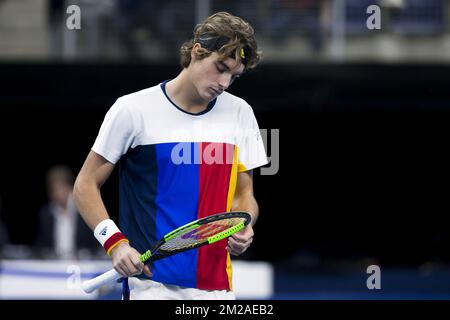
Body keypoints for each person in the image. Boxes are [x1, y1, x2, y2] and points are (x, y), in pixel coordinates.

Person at [73, 11, 268, 300]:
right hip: (150, 287)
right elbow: (84, 185)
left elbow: (245, 196)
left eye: (233, 76)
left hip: (217, 289)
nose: (224, 82)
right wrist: (115, 243)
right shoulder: (131, 109)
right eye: (220, 67)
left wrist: (244, 225)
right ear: (196, 52)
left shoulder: (241, 113)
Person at [36, 165, 98, 260]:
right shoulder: (47, 213)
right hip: (54, 263)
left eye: (59, 189)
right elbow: (42, 244)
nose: (56, 194)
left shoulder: (83, 209)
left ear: (69, 187)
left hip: (82, 263)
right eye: (53, 190)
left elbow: (94, 243)